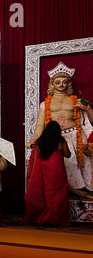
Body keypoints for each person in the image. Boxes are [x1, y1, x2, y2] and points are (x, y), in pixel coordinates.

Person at [32, 62, 92, 192]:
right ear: (52, 84)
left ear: (69, 84)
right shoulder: (45, 103)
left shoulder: (76, 100)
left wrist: (88, 109)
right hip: (57, 138)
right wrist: (36, 139)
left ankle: (85, 190)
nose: (61, 85)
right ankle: (71, 191)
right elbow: (40, 123)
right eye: (57, 82)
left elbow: (89, 120)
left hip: (76, 134)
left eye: (64, 82)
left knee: (83, 163)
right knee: (66, 164)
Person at [25, 121, 71, 226]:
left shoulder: (40, 142)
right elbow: (68, 154)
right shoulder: (60, 140)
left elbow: (39, 156)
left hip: (45, 169)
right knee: (59, 192)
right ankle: (53, 218)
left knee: (46, 192)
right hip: (58, 169)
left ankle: (45, 216)